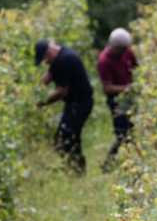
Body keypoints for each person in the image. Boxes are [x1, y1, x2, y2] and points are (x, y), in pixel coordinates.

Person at [35, 38, 94, 174]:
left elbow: (62, 91)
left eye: (44, 59)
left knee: (66, 138)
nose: (45, 62)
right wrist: (34, 91)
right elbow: (49, 75)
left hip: (80, 104)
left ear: (49, 52)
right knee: (67, 138)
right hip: (74, 103)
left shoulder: (65, 60)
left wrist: (41, 102)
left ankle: (77, 171)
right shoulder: (60, 55)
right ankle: (76, 170)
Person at [97, 28, 138, 170]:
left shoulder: (127, 51)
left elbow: (136, 68)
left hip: (131, 97)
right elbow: (107, 88)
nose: (124, 51)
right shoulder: (104, 61)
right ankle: (108, 166)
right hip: (116, 102)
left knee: (134, 131)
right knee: (122, 134)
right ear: (114, 47)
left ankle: (133, 160)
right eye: (121, 49)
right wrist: (127, 88)